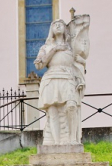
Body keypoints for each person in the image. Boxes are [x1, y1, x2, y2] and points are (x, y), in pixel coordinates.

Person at [34, 16, 89, 145]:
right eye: (55, 24)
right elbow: (39, 65)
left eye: (61, 24)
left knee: (71, 106)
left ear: (65, 29)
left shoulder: (71, 46)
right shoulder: (45, 48)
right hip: (51, 79)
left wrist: (80, 78)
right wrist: (54, 50)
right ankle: (56, 143)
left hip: (68, 77)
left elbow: (79, 64)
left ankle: (73, 139)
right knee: (52, 111)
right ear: (51, 29)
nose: (58, 26)